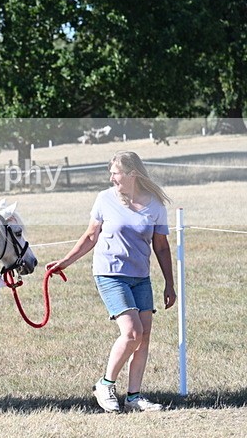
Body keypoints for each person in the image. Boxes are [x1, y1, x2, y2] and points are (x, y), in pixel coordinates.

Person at [45, 150, 176, 413]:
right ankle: (105, 385)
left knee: (144, 336)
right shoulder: (105, 199)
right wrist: (64, 262)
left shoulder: (155, 205)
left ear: (132, 174)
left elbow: (161, 247)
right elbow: (91, 237)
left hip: (140, 277)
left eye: (115, 173)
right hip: (110, 273)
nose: (111, 177)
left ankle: (134, 396)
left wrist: (169, 284)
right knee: (132, 333)